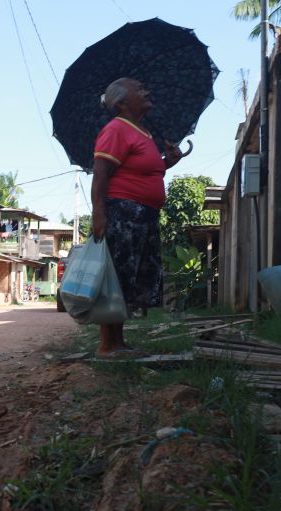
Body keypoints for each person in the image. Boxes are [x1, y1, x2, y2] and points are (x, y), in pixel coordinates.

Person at [90, 78, 183, 358]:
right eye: (139, 88)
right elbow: (101, 173)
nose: (147, 90)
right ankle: (108, 345)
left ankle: (118, 342)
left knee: (131, 277)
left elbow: (145, 171)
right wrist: (98, 213)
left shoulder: (143, 132)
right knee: (117, 275)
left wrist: (170, 161)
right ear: (121, 103)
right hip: (123, 213)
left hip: (144, 214)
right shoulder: (117, 129)